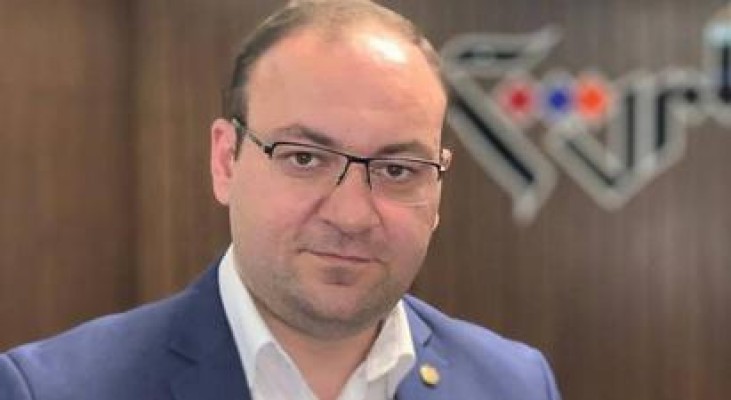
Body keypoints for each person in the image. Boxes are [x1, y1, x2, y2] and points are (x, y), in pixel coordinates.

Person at [0, 1, 561, 399]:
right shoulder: (54, 389)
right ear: (226, 161)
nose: (351, 215)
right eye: (305, 159)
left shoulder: (514, 385)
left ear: (437, 189)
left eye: (397, 170)